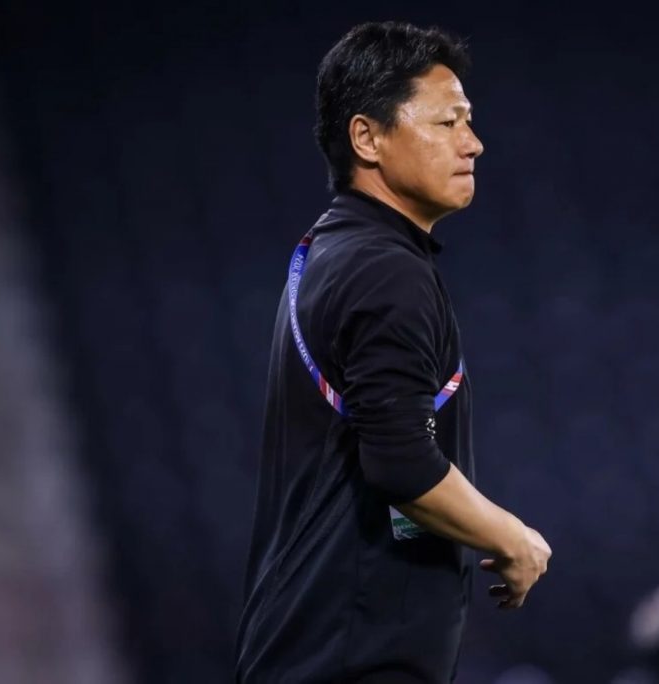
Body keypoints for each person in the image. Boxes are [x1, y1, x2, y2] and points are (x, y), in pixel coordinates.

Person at [235, 21, 552, 683]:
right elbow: (401, 462)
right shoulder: (385, 271)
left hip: (314, 646)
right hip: (354, 658)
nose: (473, 142)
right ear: (367, 138)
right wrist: (512, 537)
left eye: (469, 121)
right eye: (447, 122)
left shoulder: (337, 249)